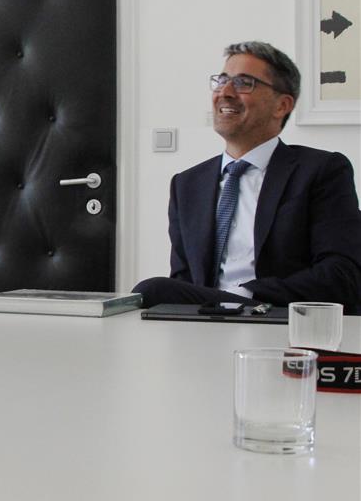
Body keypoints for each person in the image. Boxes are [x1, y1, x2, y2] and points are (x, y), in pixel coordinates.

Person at [133, 41, 361, 311]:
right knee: (149, 297)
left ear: (282, 105)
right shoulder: (187, 184)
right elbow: (184, 283)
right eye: (221, 81)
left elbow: (341, 275)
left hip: (278, 314)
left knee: (151, 290)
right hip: (207, 322)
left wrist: (245, 295)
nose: (225, 92)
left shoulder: (321, 171)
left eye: (243, 83)